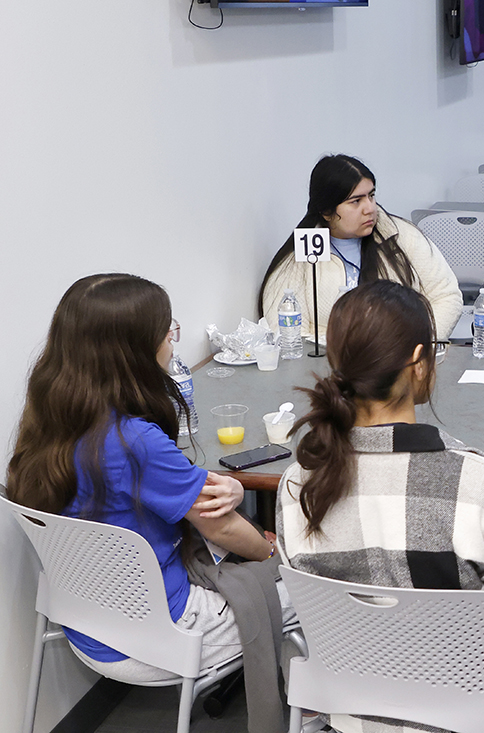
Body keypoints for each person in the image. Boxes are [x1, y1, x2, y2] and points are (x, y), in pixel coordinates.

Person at [276, 279, 484, 733]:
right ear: (417, 363)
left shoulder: (299, 485)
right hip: (473, 715)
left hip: (357, 709)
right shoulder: (476, 485)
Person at [6, 274, 295, 684]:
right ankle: (321, 716)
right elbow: (224, 528)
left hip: (85, 624)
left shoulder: (47, 418)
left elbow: (156, 485)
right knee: (315, 592)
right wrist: (273, 554)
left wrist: (222, 486)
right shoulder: (133, 441)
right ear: (136, 352)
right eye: (168, 333)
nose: (171, 342)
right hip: (165, 635)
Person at [258, 154, 462, 343]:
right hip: (327, 369)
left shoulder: (403, 236)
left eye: (371, 196)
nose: (370, 208)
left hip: (399, 362)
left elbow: (446, 295)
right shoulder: (301, 257)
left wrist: (417, 347)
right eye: (356, 201)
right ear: (327, 212)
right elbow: (285, 331)